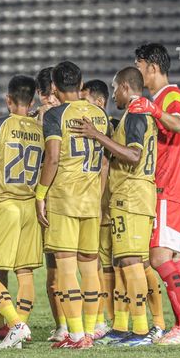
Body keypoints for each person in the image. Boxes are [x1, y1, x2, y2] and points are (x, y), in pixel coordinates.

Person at [71, 67, 162, 346]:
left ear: (124, 86)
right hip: (130, 197)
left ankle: (142, 330)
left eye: (114, 89)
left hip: (133, 197)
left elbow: (134, 155)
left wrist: (96, 135)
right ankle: (122, 327)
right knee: (124, 263)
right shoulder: (132, 115)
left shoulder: (135, 114)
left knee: (133, 263)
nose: (113, 95)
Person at [36, 61, 109, 349]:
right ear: (81, 85)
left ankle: (76, 335)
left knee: (66, 267)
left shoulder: (55, 115)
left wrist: (40, 194)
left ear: (54, 87)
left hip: (64, 198)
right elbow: (104, 161)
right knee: (90, 267)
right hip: (91, 200)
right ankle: (91, 331)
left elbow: (52, 158)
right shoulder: (99, 115)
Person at [131, 43, 180, 345]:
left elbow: (178, 123)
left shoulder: (170, 96)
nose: (137, 71)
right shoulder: (165, 96)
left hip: (168, 188)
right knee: (172, 258)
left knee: (158, 257)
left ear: (152, 66)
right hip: (176, 187)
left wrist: (152, 109)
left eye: (139, 65)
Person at [0, 74, 44, 349]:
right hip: (30, 204)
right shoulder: (41, 130)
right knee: (25, 273)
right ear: (33, 100)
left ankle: (16, 324)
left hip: (5, 205)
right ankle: (19, 330)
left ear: (8, 100)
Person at [33, 66, 66, 342]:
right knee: (55, 265)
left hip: (57, 198)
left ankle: (74, 324)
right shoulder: (39, 120)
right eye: (49, 97)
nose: (53, 102)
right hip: (54, 200)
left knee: (65, 264)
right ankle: (65, 324)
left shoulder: (56, 117)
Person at [79, 79, 112, 339]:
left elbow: (103, 165)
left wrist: (99, 199)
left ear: (99, 102)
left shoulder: (103, 126)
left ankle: (102, 320)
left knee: (99, 264)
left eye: (85, 98)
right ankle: (102, 320)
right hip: (93, 205)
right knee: (97, 262)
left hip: (101, 206)